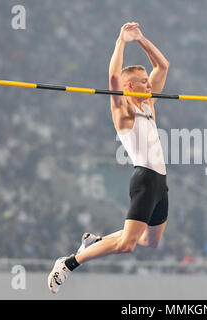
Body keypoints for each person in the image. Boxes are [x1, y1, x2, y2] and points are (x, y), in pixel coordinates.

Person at [48, 22, 170, 293]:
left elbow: (163, 66)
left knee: (150, 241)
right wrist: (121, 42)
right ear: (130, 86)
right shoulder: (122, 111)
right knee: (127, 244)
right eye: (143, 81)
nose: (149, 83)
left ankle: (95, 242)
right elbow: (113, 79)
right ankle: (70, 262)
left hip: (160, 182)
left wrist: (142, 39)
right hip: (146, 179)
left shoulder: (149, 104)